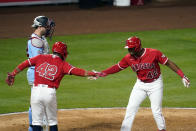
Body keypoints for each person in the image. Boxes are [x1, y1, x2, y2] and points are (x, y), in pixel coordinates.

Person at [97, 36, 190, 131]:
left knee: (156, 111)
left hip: (155, 84)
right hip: (140, 85)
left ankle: (162, 129)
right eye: (128, 48)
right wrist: (103, 73)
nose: (129, 50)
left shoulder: (154, 53)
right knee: (130, 109)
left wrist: (182, 75)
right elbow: (117, 67)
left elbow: (168, 63)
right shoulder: (128, 58)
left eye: (131, 48)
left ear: (137, 46)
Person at [6, 41, 98, 131]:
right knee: (52, 122)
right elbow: (79, 72)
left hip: (35, 91)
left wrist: (13, 73)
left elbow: (24, 64)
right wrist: (92, 73)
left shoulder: (40, 57)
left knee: (36, 122)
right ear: (64, 53)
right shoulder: (63, 64)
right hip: (49, 93)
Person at [26, 15, 55, 131]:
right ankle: (33, 127)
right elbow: (38, 61)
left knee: (39, 102)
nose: (49, 29)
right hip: (36, 75)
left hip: (41, 74)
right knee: (37, 103)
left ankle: (34, 127)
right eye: (47, 26)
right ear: (40, 26)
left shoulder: (41, 39)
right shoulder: (35, 41)